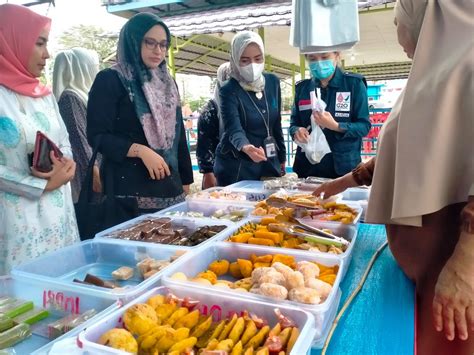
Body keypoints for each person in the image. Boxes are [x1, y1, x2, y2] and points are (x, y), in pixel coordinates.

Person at [313, 1, 474, 353]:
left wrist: (466, 265)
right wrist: (344, 183)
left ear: (428, 17)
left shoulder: (469, 68)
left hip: (452, 260)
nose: (398, 27)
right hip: (429, 261)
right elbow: (405, 155)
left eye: (398, 17)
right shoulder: (431, 76)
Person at [87, 12, 193, 214]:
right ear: (133, 41)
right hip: (128, 195)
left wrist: (186, 180)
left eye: (163, 44)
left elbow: (178, 138)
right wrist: (140, 151)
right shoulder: (111, 79)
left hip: (169, 187)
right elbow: (97, 136)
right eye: (150, 43)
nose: (158, 51)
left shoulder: (168, 84)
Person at [0, 4, 79, 275]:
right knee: (21, 302)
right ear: (12, 41)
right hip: (16, 223)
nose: (47, 54)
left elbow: (64, 139)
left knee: (63, 292)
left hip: (59, 217)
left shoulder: (43, 95)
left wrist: (66, 167)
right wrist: (39, 185)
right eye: (40, 43)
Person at [214, 31, 286, 186]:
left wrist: (282, 156)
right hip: (238, 165)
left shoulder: (273, 82)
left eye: (258, 58)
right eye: (245, 60)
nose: (252, 65)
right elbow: (233, 127)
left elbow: (276, 123)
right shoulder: (228, 90)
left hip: (269, 160)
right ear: (234, 60)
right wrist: (246, 147)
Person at [289, 51, 370, 178]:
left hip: (343, 169)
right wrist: (297, 131)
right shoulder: (303, 88)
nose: (319, 62)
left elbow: (364, 126)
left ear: (337, 56)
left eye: (325, 57)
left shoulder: (353, 84)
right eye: (312, 58)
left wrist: (336, 126)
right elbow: (294, 124)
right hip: (308, 168)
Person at [53, 48, 101, 203]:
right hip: (87, 173)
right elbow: (79, 138)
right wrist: (93, 171)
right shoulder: (70, 97)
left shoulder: (81, 95)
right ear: (82, 68)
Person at [196, 62, 231, 189]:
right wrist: (208, 173)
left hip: (238, 168)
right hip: (217, 172)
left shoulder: (240, 105)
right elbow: (204, 146)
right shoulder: (210, 111)